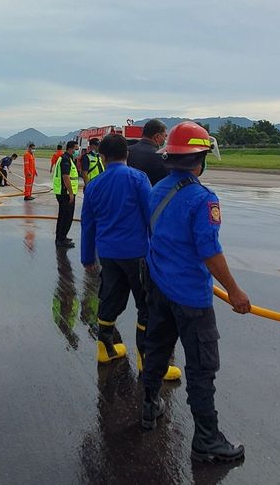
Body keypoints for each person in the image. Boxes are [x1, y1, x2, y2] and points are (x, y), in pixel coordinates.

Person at [141, 121, 250, 464]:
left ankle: (148, 409)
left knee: (157, 351)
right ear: (199, 158)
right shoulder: (203, 199)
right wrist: (234, 291)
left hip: (159, 289)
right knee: (202, 369)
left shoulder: (157, 190)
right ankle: (206, 439)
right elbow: (209, 251)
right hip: (191, 297)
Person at [81, 133, 181, 381]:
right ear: (127, 154)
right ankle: (147, 361)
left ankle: (106, 350)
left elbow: (87, 225)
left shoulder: (94, 184)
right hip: (137, 254)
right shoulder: (138, 179)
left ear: (102, 158)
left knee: (109, 301)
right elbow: (152, 217)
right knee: (146, 306)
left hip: (108, 255)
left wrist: (87, 258)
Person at [127, 119, 168, 186]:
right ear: (157, 136)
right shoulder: (160, 157)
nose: (165, 138)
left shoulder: (127, 151)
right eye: (165, 135)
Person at [53, 141, 79, 248]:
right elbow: (66, 177)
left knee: (63, 216)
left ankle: (61, 237)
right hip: (65, 193)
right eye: (76, 149)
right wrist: (71, 193)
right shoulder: (65, 159)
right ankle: (61, 239)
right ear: (70, 149)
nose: (77, 151)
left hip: (63, 192)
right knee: (66, 217)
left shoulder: (66, 158)